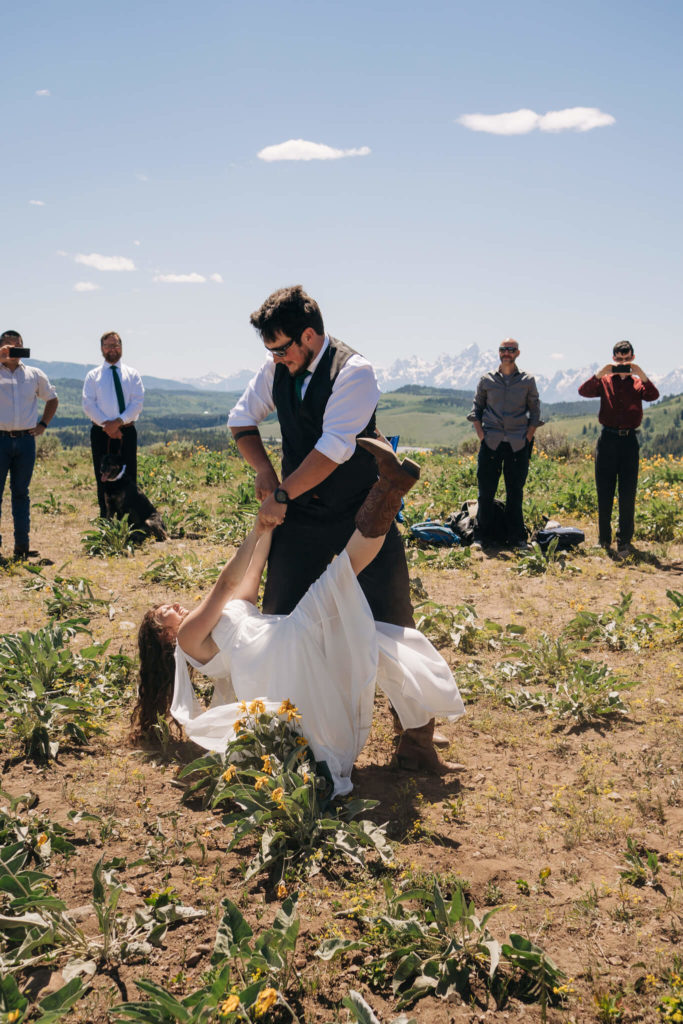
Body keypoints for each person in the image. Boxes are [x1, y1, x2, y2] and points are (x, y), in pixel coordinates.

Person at [135, 439, 465, 795]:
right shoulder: (188, 639)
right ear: (166, 638)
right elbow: (226, 582)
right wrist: (256, 529)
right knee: (341, 577)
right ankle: (389, 486)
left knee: (355, 607)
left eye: (165, 605)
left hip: (277, 639)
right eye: (162, 615)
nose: (171, 607)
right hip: (277, 652)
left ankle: (391, 485)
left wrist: (269, 520)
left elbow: (250, 575)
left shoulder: (210, 624)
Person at [227, 285, 414, 628]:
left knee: (393, 618)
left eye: (282, 349)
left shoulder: (354, 371)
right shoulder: (276, 368)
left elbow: (331, 451)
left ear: (309, 335)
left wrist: (281, 494)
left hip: (358, 509)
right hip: (300, 514)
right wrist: (265, 470)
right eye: (270, 351)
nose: (276, 359)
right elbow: (240, 420)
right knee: (281, 616)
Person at [578, 341, 659, 557]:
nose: (623, 363)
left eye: (627, 359)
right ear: (613, 359)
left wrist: (641, 373)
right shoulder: (604, 381)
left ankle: (624, 541)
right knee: (604, 491)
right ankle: (604, 540)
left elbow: (653, 396)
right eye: (619, 359)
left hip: (629, 441)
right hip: (607, 440)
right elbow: (583, 391)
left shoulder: (637, 383)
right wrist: (599, 373)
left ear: (632, 358)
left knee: (627, 492)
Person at [467, 338, 542, 549]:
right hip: (490, 442)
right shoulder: (486, 380)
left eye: (511, 349)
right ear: (499, 353)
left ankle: (517, 538)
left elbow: (535, 411)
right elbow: (476, 409)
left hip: (518, 444)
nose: (507, 352)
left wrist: (528, 437)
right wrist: (481, 435)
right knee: (485, 492)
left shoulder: (527, 380)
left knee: (515, 492)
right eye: (503, 349)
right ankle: (481, 538)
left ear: (517, 353)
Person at [0, 331, 59, 560]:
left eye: (18, 345)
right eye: (8, 344)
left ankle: (22, 546)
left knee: (21, 494)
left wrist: (43, 423)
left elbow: (52, 398)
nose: (13, 348)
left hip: (25, 441)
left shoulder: (34, 374)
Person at [82, 331, 144, 518]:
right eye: (108, 345)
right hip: (101, 433)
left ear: (121, 347)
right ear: (102, 349)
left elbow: (137, 402)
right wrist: (107, 426)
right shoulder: (93, 376)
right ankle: (106, 519)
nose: (112, 349)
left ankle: (131, 519)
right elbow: (88, 404)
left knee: (129, 474)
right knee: (103, 475)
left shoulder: (132, 375)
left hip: (126, 431)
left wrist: (117, 423)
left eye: (116, 345)